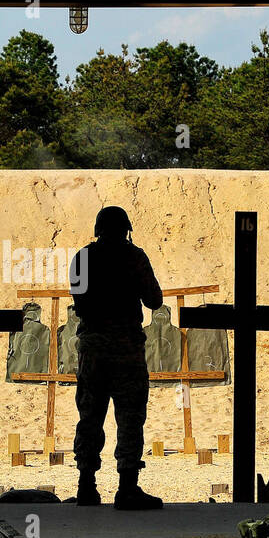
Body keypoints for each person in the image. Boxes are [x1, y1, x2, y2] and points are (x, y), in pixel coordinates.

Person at [68, 206, 165, 510]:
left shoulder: (82, 258)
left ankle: (86, 486)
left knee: (89, 416)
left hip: (93, 348)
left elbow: (80, 301)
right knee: (130, 417)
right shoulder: (134, 257)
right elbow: (154, 300)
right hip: (126, 348)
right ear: (126, 229)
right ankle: (127, 487)